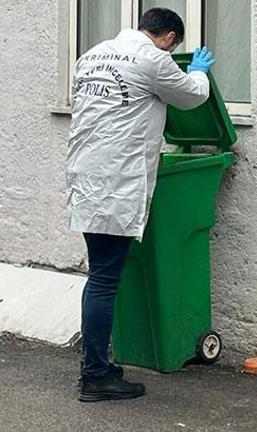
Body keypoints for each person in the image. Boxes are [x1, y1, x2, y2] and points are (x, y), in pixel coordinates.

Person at [66, 7, 216, 402]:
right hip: (116, 182)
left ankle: (98, 364)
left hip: (87, 177)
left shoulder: (93, 54)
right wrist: (199, 71)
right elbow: (192, 96)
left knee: (99, 274)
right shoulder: (152, 58)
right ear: (168, 38)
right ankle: (95, 376)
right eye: (173, 47)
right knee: (104, 280)